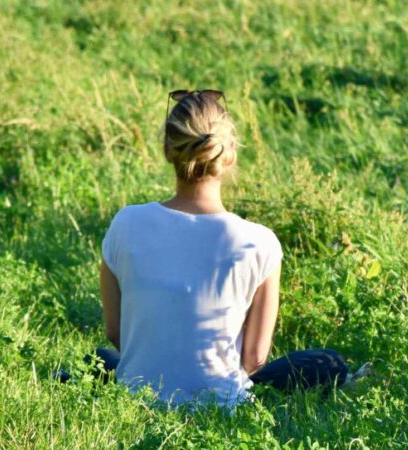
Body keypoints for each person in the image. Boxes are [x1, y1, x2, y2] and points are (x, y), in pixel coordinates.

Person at [57, 90, 370, 410]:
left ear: (168, 149)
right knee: (325, 362)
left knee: (101, 358)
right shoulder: (259, 242)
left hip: (137, 393)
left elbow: (116, 332)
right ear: (230, 154)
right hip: (221, 403)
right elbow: (255, 358)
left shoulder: (126, 223)